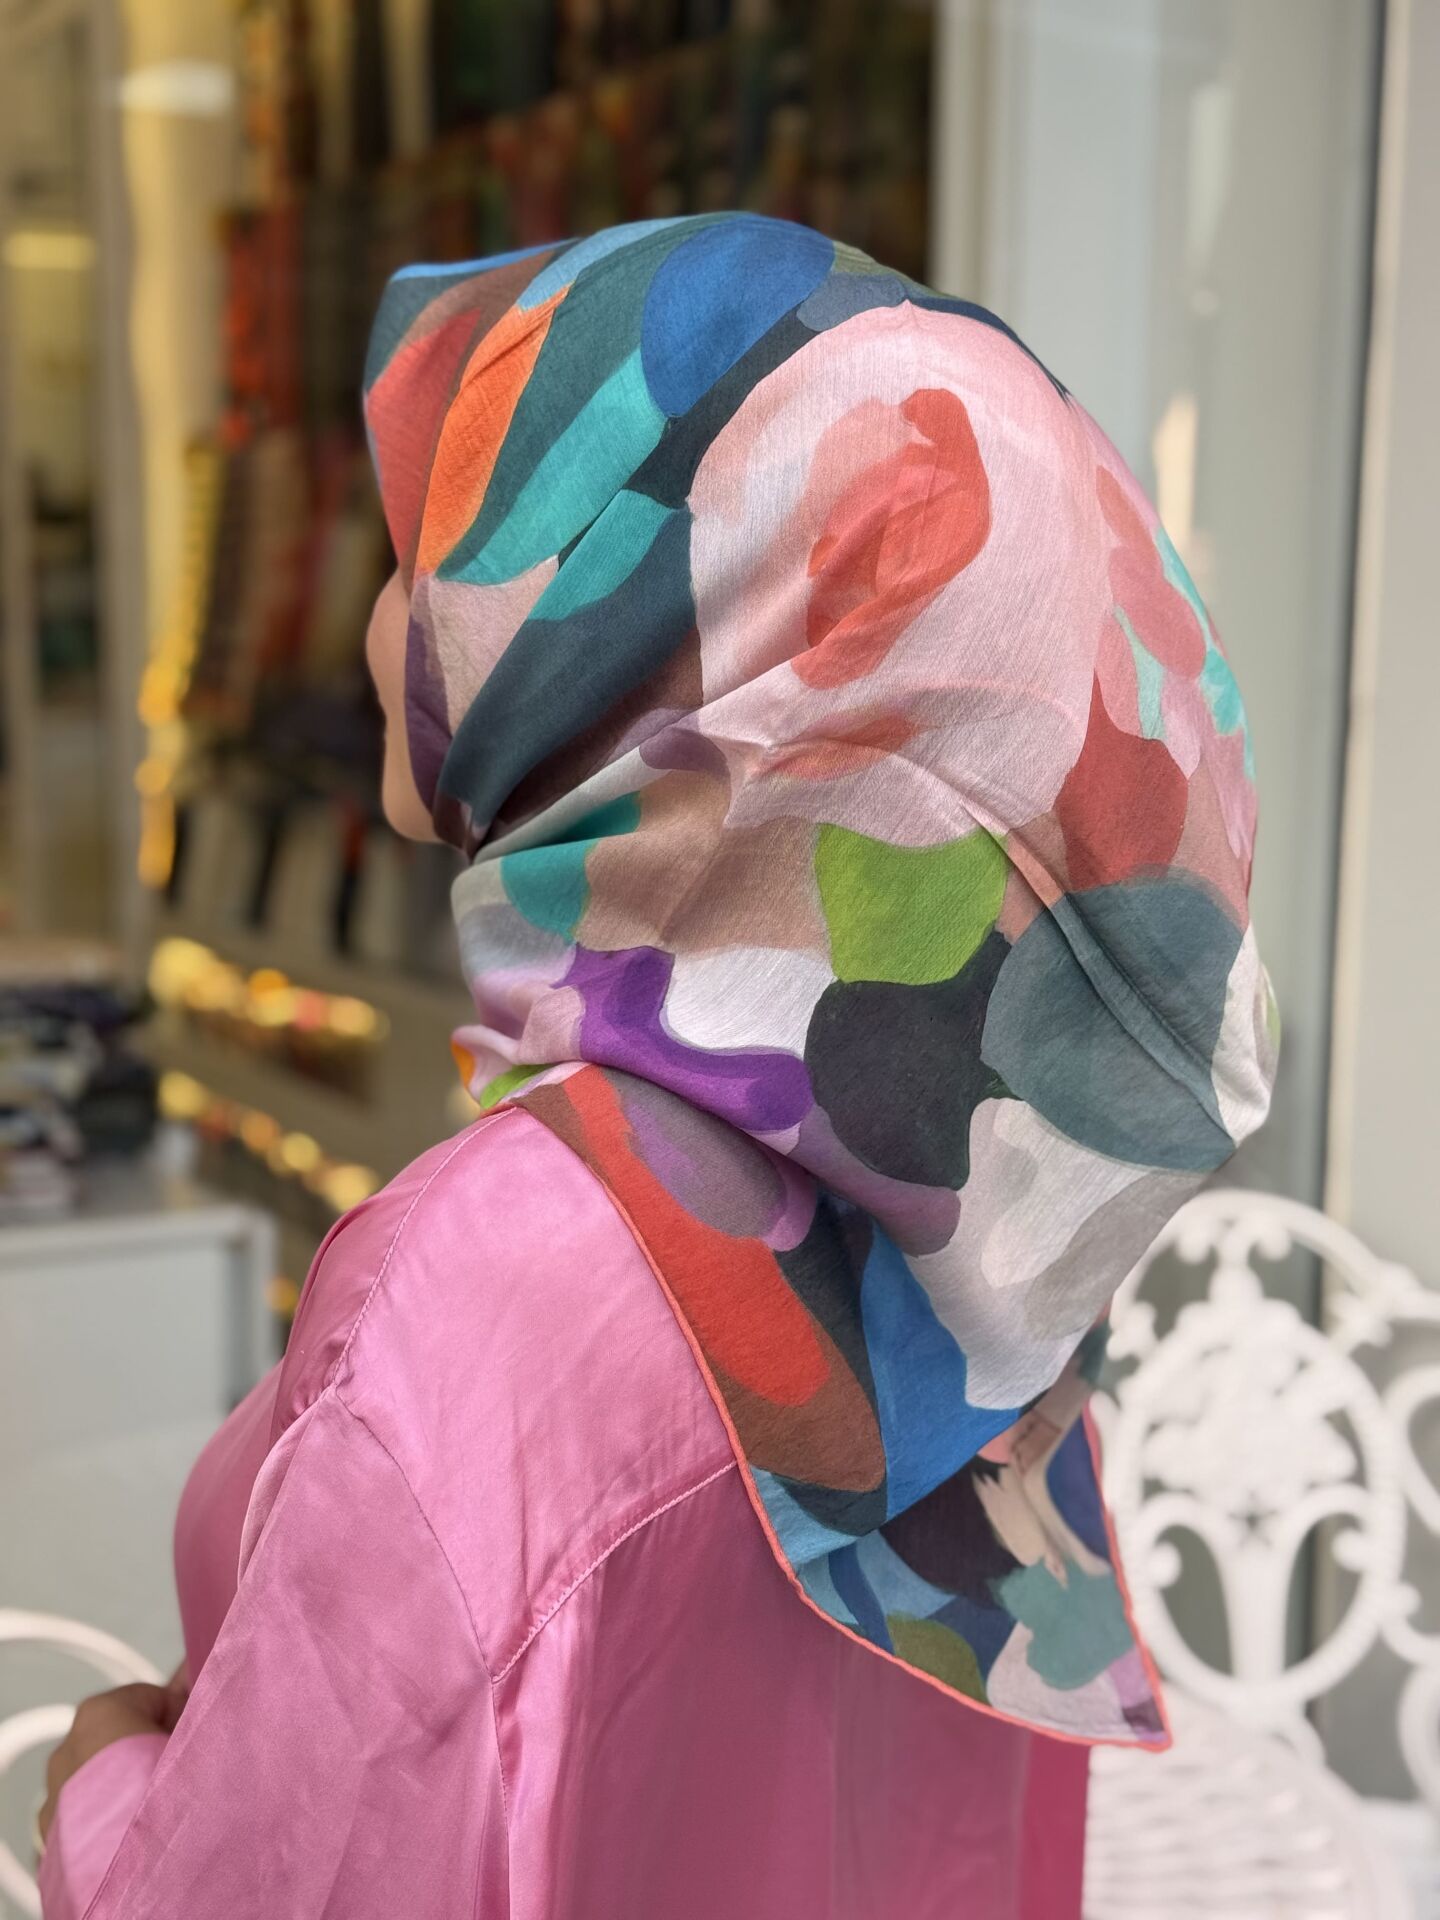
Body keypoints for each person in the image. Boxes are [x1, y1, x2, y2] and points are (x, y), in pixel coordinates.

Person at [38, 212, 1275, 1918]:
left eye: (430, 551)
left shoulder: (492, 1279)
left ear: (610, 633)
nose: (385, 613)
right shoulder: (989, 1245)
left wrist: (98, 1786)